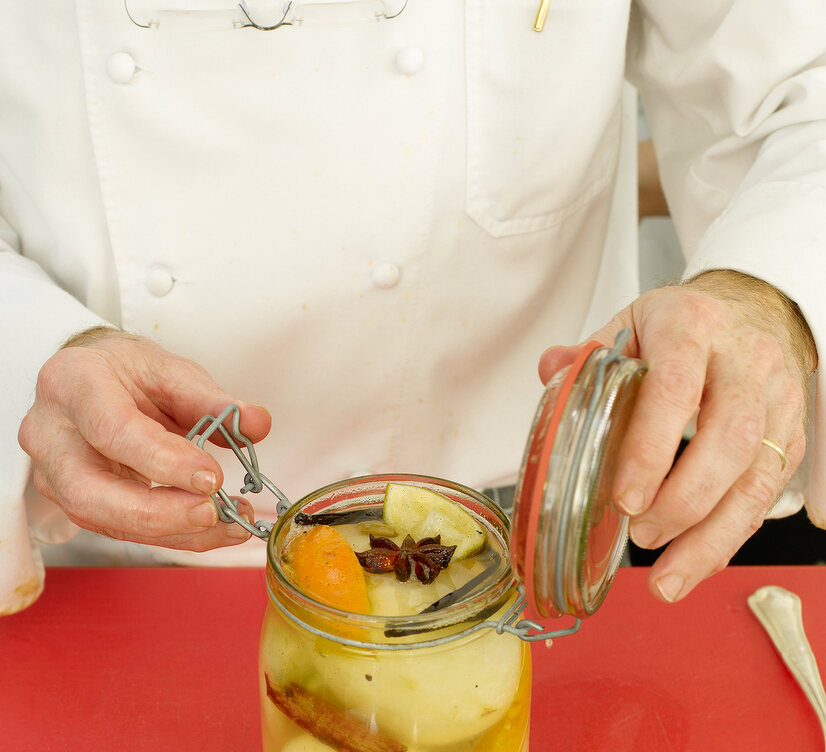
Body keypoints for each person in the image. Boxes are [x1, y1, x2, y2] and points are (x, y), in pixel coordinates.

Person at [2, 0, 823, 616]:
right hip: (99, 573)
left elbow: (801, 89)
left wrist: (765, 291)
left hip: (522, 560)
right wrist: (38, 344)